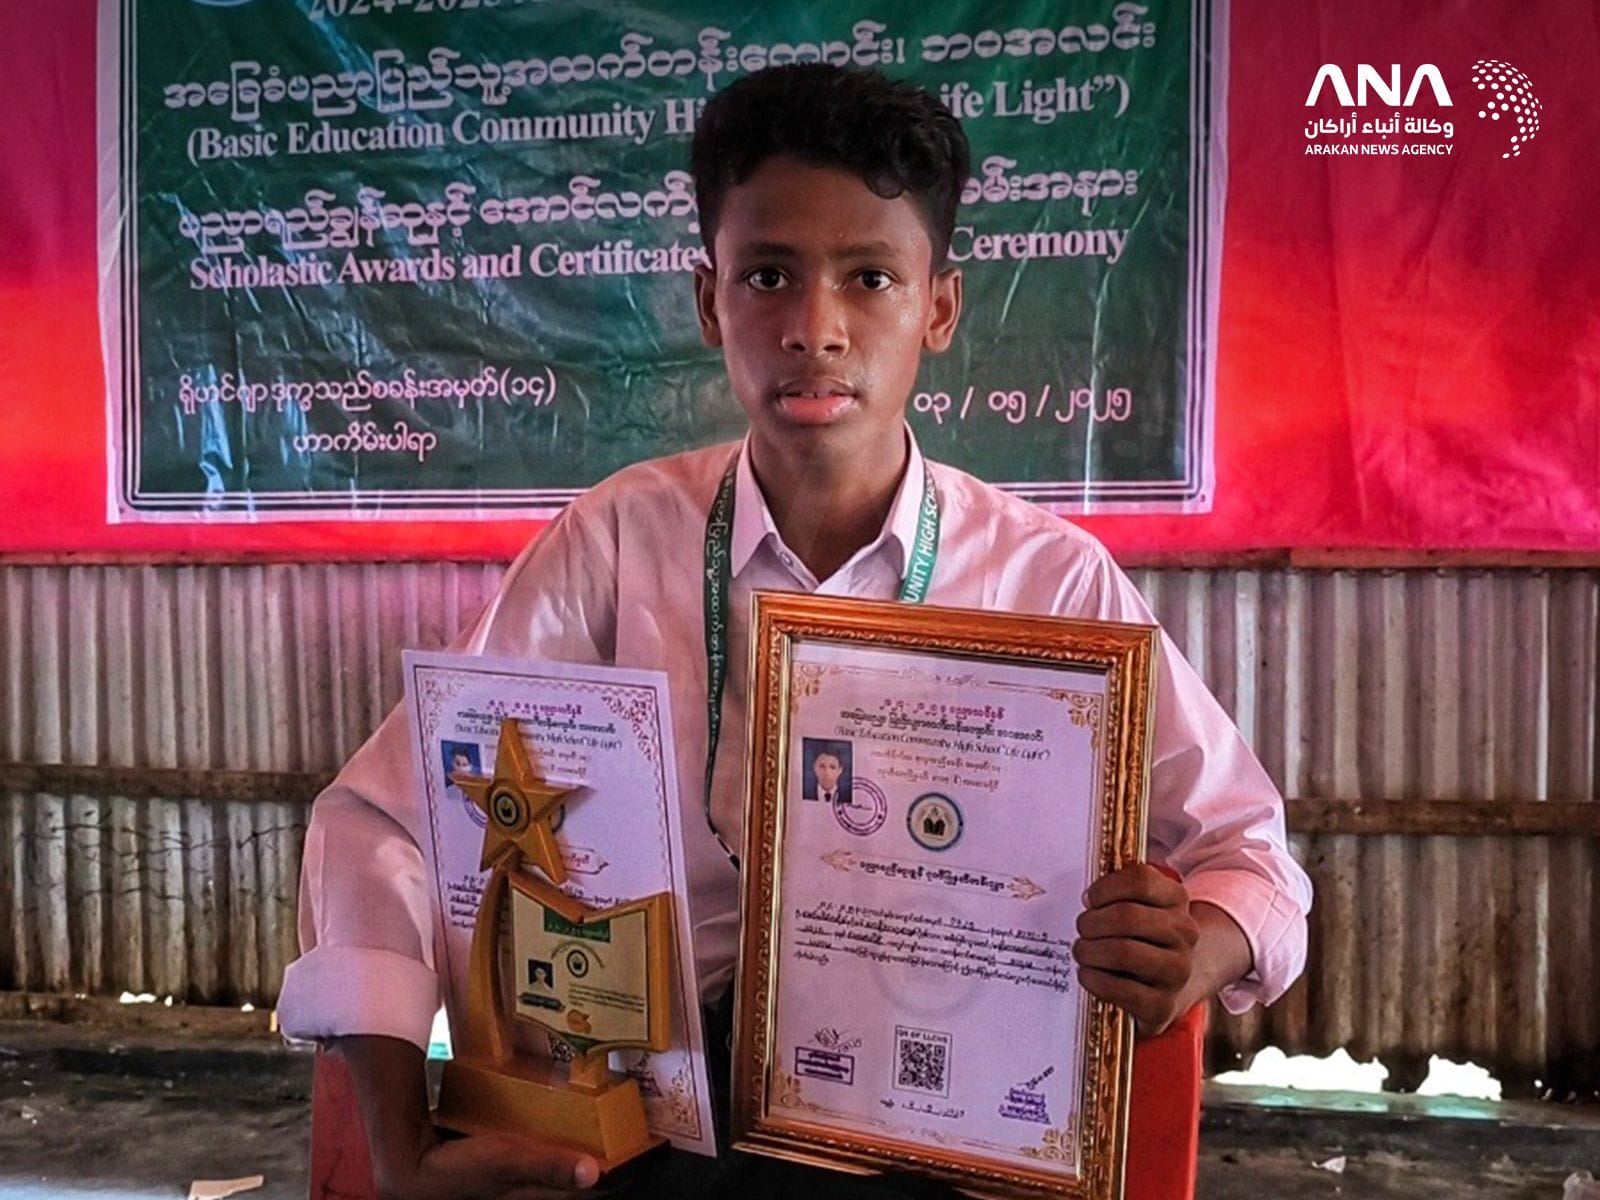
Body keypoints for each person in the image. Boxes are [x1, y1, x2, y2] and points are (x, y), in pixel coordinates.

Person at [278, 64, 1312, 1199]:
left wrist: (1195, 947)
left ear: (939, 306)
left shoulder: (1049, 583)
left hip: (946, 1113)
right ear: (709, 298)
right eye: (768, 275)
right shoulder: (618, 544)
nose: (815, 330)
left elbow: (1251, 855)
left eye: (870, 277)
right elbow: (383, 817)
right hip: (662, 1110)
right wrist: (396, 1149)